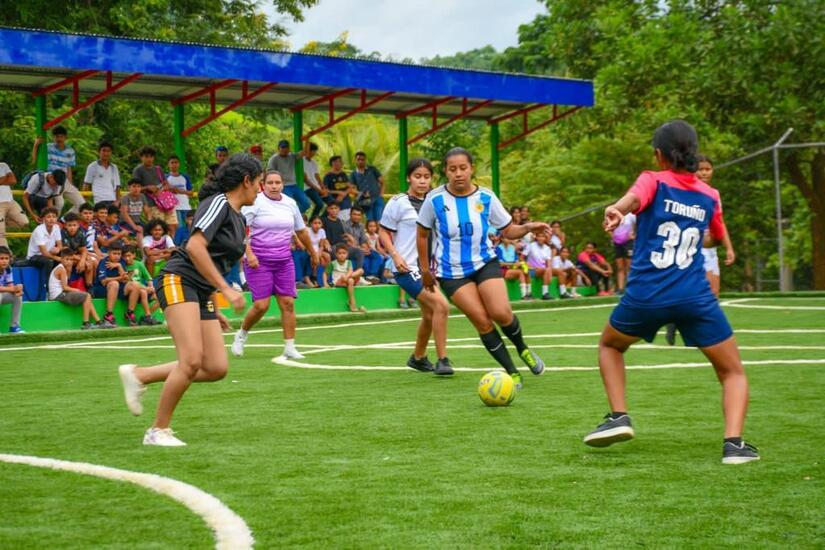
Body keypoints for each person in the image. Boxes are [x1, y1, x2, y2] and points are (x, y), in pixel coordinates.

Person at [582, 120, 758, 464]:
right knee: (733, 371)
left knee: (610, 346)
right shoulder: (710, 195)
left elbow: (633, 199)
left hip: (645, 295)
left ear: (659, 155)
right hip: (695, 297)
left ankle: (619, 416)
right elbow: (713, 236)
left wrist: (617, 209)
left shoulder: (653, 179)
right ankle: (734, 445)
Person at [117, 154, 260, 446]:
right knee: (192, 359)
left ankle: (139, 375)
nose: (260, 189)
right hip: (178, 279)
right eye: (259, 182)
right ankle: (158, 431)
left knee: (215, 367)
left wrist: (213, 304)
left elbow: (214, 261)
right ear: (246, 181)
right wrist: (227, 290)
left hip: (201, 290)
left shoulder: (240, 218)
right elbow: (195, 246)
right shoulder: (218, 203)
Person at [416, 148, 548, 388]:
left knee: (501, 313)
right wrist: (425, 270)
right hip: (452, 273)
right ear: (445, 171)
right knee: (482, 321)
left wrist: (529, 227)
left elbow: (508, 230)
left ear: (472, 169)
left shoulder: (486, 197)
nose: (458, 174)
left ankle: (523, 349)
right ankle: (511, 372)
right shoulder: (434, 199)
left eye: (463, 168)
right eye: (452, 169)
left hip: (485, 262)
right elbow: (422, 235)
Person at [231, 169, 319, 359]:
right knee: (261, 305)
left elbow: (301, 230)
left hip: (284, 261)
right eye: (270, 183)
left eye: (277, 183)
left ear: (282, 185)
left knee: (288, 303)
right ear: (263, 184)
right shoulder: (255, 202)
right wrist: (249, 254)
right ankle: (241, 334)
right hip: (258, 261)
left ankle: (290, 347)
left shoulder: (290, 203)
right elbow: (241, 230)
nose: (274, 186)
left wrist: (313, 252)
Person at [380, 158, 451, 373]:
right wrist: (395, 255)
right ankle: (443, 360)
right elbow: (383, 231)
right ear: (408, 178)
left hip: (428, 270)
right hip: (407, 269)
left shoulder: (435, 202)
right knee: (441, 306)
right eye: (417, 176)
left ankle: (418, 358)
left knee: (429, 314)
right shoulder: (398, 202)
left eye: (426, 177)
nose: (422, 181)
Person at [665, 154, 736, 345]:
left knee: (714, 292)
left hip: (709, 248)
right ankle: (676, 321)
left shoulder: (713, 194)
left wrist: (729, 248)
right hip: (689, 247)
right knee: (688, 289)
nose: (704, 172)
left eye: (708, 169)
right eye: (700, 169)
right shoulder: (684, 191)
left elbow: (719, 222)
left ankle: (704, 331)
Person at [48, 248, 110, 329]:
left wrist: (69, 270)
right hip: (58, 295)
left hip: (61, 293)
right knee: (87, 296)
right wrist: (77, 290)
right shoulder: (61, 269)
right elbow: (65, 287)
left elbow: (66, 284)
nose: (69, 262)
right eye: (67, 259)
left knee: (87, 297)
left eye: (71, 260)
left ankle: (99, 321)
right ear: (61, 259)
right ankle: (86, 323)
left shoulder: (64, 268)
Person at [31, 126, 84, 213]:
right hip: (54, 180)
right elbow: (34, 160)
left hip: (65, 180)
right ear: (53, 137)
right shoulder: (48, 147)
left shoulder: (70, 151)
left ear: (65, 137)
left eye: (61, 136)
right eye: (57, 136)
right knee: (59, 204)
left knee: (82, 204)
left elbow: (69, 168)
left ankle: (65, 220)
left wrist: (71, 184)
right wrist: (36, 145)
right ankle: (53, 221)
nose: (59, 139)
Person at [131, 146, 177, 229]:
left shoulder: (158, 169)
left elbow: (166, 183)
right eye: (146, 156)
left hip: (166, 201)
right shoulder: (138, 170)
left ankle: (170, 238)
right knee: (158, 227)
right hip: (151, 203)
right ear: (141, 157)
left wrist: (163, 189)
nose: (149, 159)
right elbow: (134, 188)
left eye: (151, 156)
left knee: (173, 225)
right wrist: (147, 188)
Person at [25, 206, 63, 293]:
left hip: (49, 254)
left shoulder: (56, 227)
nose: (51, 219)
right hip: (35, 256)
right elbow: (44, 253)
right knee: (49, 262)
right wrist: (58, 258)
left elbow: (60, 245)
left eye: (54, 216)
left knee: (67, 257)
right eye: (48, 217)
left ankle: (63, 285)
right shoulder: (39, 230)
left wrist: (58, 249)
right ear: (43, 219)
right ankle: (48, 289)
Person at [266, 139, 311, 212]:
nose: (284, 149)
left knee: (306, 203)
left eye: (286, 147)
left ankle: (294, 215)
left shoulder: (292, 156)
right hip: (283, 186)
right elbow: (270, 173)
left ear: (289, 149)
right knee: (288, 205)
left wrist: (307, 139)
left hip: (294, 185)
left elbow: (305, 152)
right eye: (282, 147)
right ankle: (289, 215)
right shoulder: (274, 159)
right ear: (278, 148)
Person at [122, 244, 160, 325]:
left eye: (129, 255)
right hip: (130, 291)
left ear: (134, 255)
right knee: (141, 289)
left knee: (160, 298)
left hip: (142, 289)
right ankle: (147, 316)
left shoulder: (139, 264)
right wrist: (146, 288)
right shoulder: (123, 265)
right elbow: (127, 282)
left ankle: (147, 316)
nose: (127, 258)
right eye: (125, 256)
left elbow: (148, 278)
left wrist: (151, 287)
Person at [62, 212, 97, 288]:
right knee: (69, 263)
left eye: (74, 225)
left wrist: (82, 260)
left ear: (78, 225)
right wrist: (81, 260)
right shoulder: (62, 233)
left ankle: (89, 286)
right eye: (69, 225)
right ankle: (67, 285)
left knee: (90, 262)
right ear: (65, 225)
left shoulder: (80, 233)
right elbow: (67, 253)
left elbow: (83, 249)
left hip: (76, 256)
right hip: (65, 256)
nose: (72, 228)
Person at [326, 243, 365, 311]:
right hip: (338, 281)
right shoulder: (333, 263)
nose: (342, 255)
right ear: (336, 254)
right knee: (349, 280)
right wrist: (325, 284)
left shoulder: (349, 262)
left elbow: (350, 271)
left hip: (347, 278)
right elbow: (325, 273)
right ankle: (352, 303)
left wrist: (346, 277)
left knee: (361, 270)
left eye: (344, 253)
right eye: (340, 253)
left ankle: (351, 303)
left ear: (347, 254)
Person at [83, 141, 121, 206]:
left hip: (112, 200)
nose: (106, 153)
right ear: (99, 152)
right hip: (99, 201)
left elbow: (117, 186)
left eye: (108, 151)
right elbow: (86, 185)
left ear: (111, 152)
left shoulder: (114, 167)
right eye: (103, 150)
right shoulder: (92, 166)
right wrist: (84, 203)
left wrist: (118, 201)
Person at [350, 151, 385, 222]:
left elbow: (382, 182)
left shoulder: (372, 169)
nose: (360, 161)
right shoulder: (353, 174)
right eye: (358, 159)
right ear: (355, 160)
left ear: (365, 160)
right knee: (370, 221)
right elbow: (351, 189)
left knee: (379, 220)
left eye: (362, 159)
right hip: (365, 201)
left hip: (377, 199)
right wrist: (361, 193)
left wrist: (381, 195)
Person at [0, 162, 28, 247]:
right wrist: (5, 178)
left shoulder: (3, 165)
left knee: (24, 222)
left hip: (11, 202)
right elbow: (8, 179)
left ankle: (3, 221)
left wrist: (3, 180)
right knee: (1, 234)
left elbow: (13, 180)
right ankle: (6, 253)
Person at [523, 231, 555, 300]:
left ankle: (562, 292)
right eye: (539, 236)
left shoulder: (547, 248)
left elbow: (548, 262)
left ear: (545, 238)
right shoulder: (531, 245)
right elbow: (522, 257)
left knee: (557, 271)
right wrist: (526, 264)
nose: (541, 238)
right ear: (536, 237)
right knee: (546, 270)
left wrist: (550, 272)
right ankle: (545, 293)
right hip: (531, 270)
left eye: (543, 236)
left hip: (542, 270)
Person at [0, 245, 24, 333]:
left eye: (6, 258)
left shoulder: (8, 269)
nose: (4, 261)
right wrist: (13, 289)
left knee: (17, 297)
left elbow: (10, 285)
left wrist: (17, 290)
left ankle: (14, 326)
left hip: (2, 294)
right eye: (1, 258)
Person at [323, 155, 354, 221]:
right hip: (335, 202)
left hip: (346, 202)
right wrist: (338, 192)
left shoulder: (343, 174)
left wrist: (344, 193)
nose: (340, 163)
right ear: (333, 163)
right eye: (337, 162)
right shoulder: (328, 176)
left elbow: (350, 187)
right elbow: (325, 190)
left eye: (340, 161)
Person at [612, 211, 636, 294]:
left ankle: (631, 288)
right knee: (620, 267)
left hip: (628, 243)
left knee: (629, 267)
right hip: (617, 244)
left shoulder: (631, 215)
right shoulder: (614, 214)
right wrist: (612, 236)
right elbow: (605, 224)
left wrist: (633, 235)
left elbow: (639, 224)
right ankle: (620, 289)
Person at [166, 154, 193, 230]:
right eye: (172, 163)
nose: (174, 165)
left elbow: (191, 192)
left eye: (176, 162)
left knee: (189, 227)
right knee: (179, 228)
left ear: (179, 164)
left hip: (186, 206)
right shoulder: (166, 177)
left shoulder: (185, 177)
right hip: (173, 208)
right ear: (168, 164)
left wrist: (180, 191)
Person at [302, 142, 327, 219]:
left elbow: (317, 176)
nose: (314, 153)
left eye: (314, 151)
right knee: (319, 204)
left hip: (316, 187)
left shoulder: (313, 162)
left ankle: (321, 220)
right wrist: (320, 191)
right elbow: (306, 181)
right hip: (307, 188)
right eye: (312, 151)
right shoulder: (301, 161)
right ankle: (312, 221)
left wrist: (323, 187)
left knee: (331, 201)